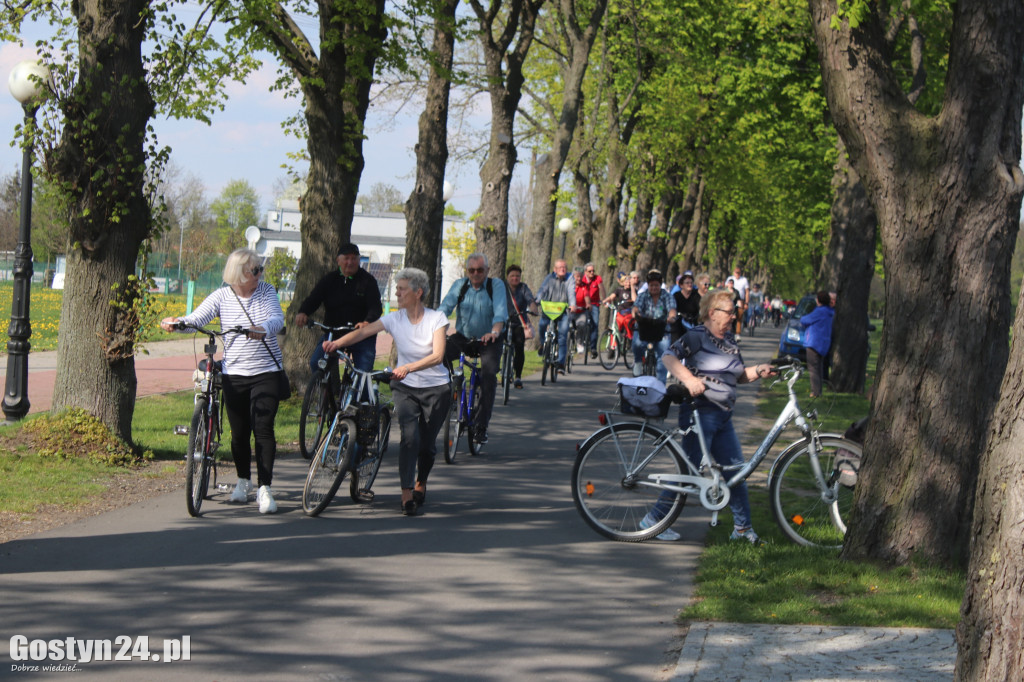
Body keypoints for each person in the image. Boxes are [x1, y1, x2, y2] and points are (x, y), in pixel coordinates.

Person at [160, 248, 286, 514]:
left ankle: (265, 488)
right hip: (234, 374)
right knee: (239, 433)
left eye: (260, 269)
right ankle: (243, 481)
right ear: (239, 274)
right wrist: (178, 322)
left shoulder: (266, 291)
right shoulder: (222, 295)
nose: (260, 274)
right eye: (255, 270)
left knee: (263, 429)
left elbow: (277, 319)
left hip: (266, 372)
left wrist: (262, 329)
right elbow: (198, 318)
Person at [652, 287, 777, 543]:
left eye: (735, 312)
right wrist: (688, 379)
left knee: (737, 473)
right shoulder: (697, 336)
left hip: (723, 416)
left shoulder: (730, 342)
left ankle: (743, 530)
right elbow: (668, 357)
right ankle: (655, 520)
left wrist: (759, 369)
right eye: (730, 312)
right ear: (712, 313)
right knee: (689, 471)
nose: (733, 317)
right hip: (700, 412)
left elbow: (738, 375)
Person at [323, 268, 449, 516]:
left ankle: (420, 481)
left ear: (418, 292)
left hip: (436, 389)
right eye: (397, 288)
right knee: (409, 437)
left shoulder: (436, 318)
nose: (397, 292)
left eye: (402, 289)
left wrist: (408, 367)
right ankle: (406, 494)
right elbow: (363, 332)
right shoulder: (394, 318)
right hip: (404, 387)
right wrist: (336, 343)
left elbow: (437, 356)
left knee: (426, 445)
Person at [438, 253, 508, 445]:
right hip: (464, 337)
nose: (476, 274)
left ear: (487, 270)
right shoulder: (460, 285)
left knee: (488, 375)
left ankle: (481, 426)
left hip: (489, 339)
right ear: (467, 271)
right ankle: (451, 392)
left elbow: (501, 312)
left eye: (480, 270)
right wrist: (434, 328)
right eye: (472, 270)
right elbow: (445, 308)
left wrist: (494, 332)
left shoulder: (497, 286)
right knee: (438, 356)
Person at [294, 243, 383, 386]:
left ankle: (363, 404)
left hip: (360, 336)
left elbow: (376, 307)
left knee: (363, 373)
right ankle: (326, 396)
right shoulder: (329, 280)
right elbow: (314, 299)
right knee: (317, 363)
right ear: (338, 260)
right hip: (333, 334)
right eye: (346, 258)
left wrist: (367, 322)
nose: (350, 262)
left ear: (359, 260)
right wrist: (303, 312)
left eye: (354, 258)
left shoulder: (368, 281)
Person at [631, 269, 676, 383]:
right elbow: (636, 308)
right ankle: (638, 362)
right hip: (644, 327)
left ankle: (660, 386)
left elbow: (672, 309)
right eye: (651, 285)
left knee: (663, 354)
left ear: (660, 285)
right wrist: (636, 314)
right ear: (648, 285)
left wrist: (671, 317)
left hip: (662, 328)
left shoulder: (667, 296)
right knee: (637, 344)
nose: (654, 288)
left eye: (656, 285)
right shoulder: (642, 296)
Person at [535, 258, 575, 373]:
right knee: (542, 325)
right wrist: (537, 300)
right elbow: (542, 290)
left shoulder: (570, 278)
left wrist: (572, 305)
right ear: (555, 269)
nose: (563, 269)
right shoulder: (549, 278)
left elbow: (571, 292)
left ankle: (561, 363)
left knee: (563, 334)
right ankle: (543, 345)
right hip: (549, 309)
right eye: (560, 267)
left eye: (564, 267)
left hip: (563, 311)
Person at [504, 264, 537, 389]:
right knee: (495, 342)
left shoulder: (523, 288)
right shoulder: (502, 288)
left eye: (517, 276)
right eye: (512, 276)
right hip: (503, 322)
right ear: (507, 277)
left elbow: (530, 300)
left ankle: (518, 377)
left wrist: (534, 309)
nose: (515, 278)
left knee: (519, 345)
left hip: (518, 324)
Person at [800, 290, 834, 398]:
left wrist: (802, 318)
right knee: (819, 367)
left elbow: (805, 320)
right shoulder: (830, 312)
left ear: (818, 300)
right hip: (824, 344)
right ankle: (819, 390)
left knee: (813, 368)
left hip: (814, 342)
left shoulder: (819, 311)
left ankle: (815, 392)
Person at [575, 262, 605, 358]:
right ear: (585, 272)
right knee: (581, 322)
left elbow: (602, 289)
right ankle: (579, 341)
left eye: (593, 271)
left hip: (594, 304)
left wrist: (604, 300)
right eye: (589, 271)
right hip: (584, 304)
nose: (592, 272)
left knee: (595, 324)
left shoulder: (598, 278)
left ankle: (593, 348)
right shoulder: (581, 279)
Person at [601, 271, 635, 343]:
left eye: (629, 282)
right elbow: (611, 297)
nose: (627, 284)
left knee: (627, 322)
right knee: (616, 326)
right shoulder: (619, 290)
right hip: (620, 313)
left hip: (629, 314)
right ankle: (614, 344)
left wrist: (632, 288)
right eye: (626, 282)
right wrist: (606, 301)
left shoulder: (633, 291)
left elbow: (635, 299)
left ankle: (630, 338)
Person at [670, 271, 700, 341]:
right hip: (678, 323)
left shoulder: (696, 295)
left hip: (693, 323)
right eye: (687, 283)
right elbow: (672, 309)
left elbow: (700, 309)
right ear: (681, 285)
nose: (690, 284)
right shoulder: (676, 296)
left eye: (691, 283)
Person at [730, 266, 750, 339]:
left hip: (740, 300)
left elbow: (747, 292)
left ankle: (737, 333)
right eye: (736, 272)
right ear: (733, 272)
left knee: (739, 316)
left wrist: (746, 303)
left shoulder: (744, 280)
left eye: (739, 272)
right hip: (730, 300)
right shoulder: (730, 279)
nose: (737, 274)